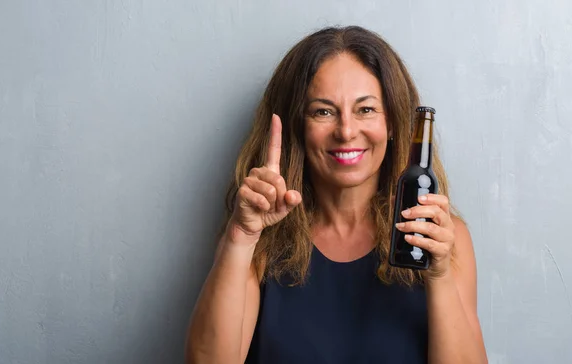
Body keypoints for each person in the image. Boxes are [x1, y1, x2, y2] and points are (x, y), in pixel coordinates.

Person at [185, 25, 488, 364]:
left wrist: (440, 276)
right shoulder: (258, 240)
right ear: (299, 125)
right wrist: (240, 237)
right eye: (323, 111)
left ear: (393, 124)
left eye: (366, 109)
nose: (346, 131)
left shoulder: (444, 238)